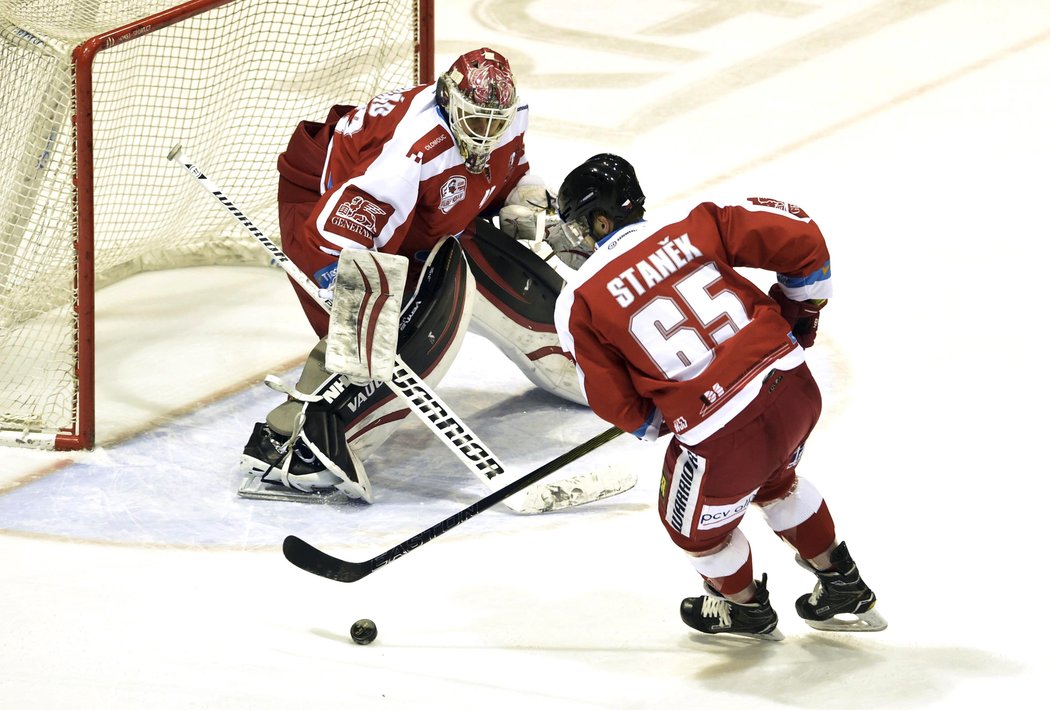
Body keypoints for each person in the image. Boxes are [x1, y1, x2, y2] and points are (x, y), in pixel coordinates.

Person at [552, 153, 886, 639]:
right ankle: (843, 585)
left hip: (724, 436)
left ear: (600, 219)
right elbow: (803, 237)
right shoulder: (697, 225)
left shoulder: (578, 300)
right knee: (776, 479)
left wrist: (663, 419)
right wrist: (800, 316)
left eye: (584, 226)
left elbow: (617, 405)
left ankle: (745, 607)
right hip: (794, 390)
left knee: (689, 528)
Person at [239, 48, 583, 503]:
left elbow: (505, 170)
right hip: (325, 204)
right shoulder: (408, 155)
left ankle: (583, 366)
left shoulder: (504, 117)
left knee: (483, 266)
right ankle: (300, 444)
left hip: (414, 218)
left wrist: (526, 196)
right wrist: (346, 290)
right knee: (391, 326)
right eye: (475, 121)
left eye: (493, 123)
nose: (486, 135)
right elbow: (334, 232)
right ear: (448, 101)